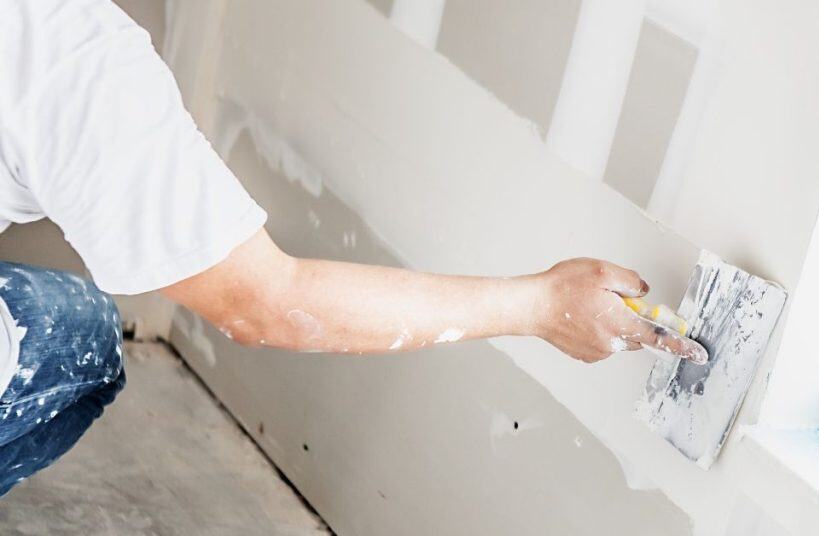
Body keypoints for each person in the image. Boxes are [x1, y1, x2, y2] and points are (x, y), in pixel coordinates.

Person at [0, 0, 702, 496]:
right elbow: (266, 303)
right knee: (79, 342)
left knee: (72, 314)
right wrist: (543, 305)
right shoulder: (74, 56)